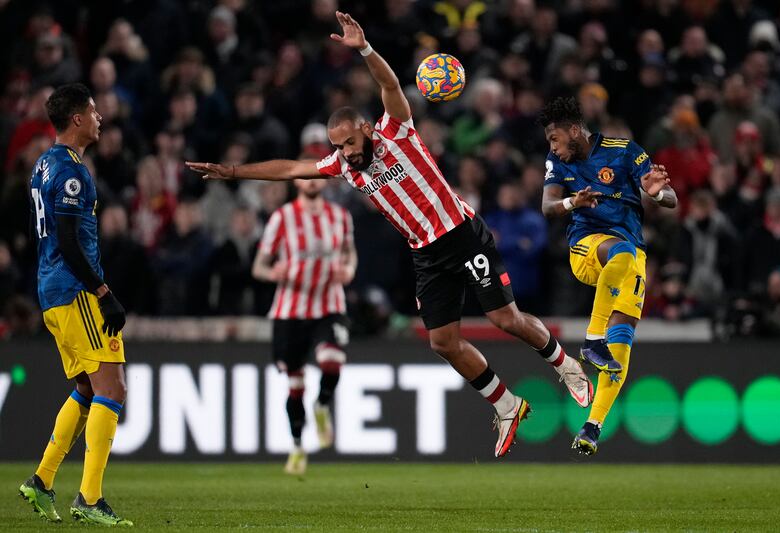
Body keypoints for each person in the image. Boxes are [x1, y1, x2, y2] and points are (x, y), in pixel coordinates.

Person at [188, 11, 593, 458]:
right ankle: (506, 404)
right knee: (443, 342)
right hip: (425, 254)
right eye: (337, 147)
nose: (343, 154)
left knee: (504, 319)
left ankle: (566, 365)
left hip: (460, 234)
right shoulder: (343, 166)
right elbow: (290, 168)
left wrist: (363, 49)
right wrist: (231, 171)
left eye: (347, 143)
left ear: (364, 129)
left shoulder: (395, 131)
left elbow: (389, 87)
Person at [539, 96, 677, 456]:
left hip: (631, 260)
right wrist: (573, 202)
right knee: (620, 251)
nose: (551, 147)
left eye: (554, 138)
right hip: (587, 248)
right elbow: (548, 206)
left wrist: (657, 193)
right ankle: (592, 339)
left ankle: (592, 426)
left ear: (573, 131)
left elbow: (671, 198)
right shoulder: (556, 162)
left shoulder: (623, 150)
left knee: (621, 346)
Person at [21, 84, 132, 526]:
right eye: (93, 110)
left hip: (51, 290)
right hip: (75, 290)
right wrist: (104, 294)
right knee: (112, 388)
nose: (100, 116)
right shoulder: (71, 173)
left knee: (87, 389)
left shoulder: (42, 166)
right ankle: (89, 498)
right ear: (77, 119)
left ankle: (42, 480)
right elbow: (68, 241)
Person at [252, 175, 356, 475]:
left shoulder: (340, 216)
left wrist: (348, 269)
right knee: (295, 383)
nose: (311, 181)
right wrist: (274, 273)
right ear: (296, 181)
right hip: (291, 311)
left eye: (316, 175)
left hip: (329, 304)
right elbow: (259, 266)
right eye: (305, 176)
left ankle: (322, 405)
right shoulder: (282, 217)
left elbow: (350, 253)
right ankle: (297, 446)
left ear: (324, 181)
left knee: (333, 360)